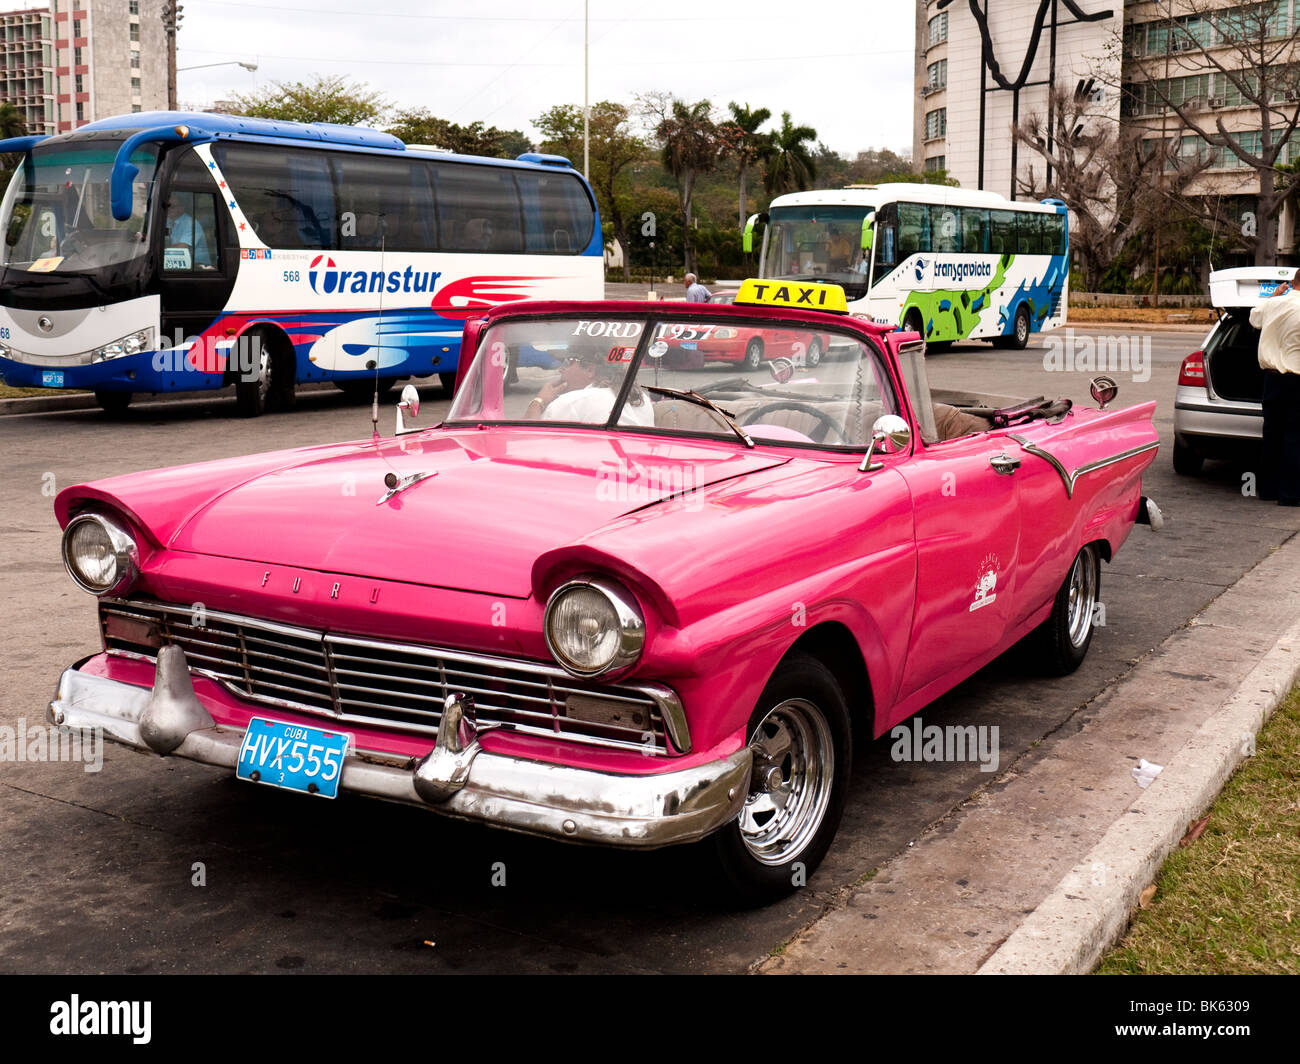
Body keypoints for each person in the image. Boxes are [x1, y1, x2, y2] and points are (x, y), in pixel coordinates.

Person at [1249, 269, 1300, 506]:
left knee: (1271, 435)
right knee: (1294, 437)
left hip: (1271, 380)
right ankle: (1289, 495)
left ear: (1292, 282)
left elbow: (1253, 319)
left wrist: (1273, 296)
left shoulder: (1274, 304)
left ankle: (1267, 490)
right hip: (1296, 380)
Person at [524, 350, 654, 427]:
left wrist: (539, 401)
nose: (561, 369)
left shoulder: (572, 402)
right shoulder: (642, 398)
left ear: (590, 370)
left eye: (568, 362)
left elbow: (528, 439)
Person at [165, 199, 212, 267]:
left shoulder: (190, 224)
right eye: (167, 206)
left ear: (181, 208)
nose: (168, 209)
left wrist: (160, 249)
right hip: (178, 263)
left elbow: (181, 248)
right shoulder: (168, 221)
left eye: (171, 206)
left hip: (198, 267)